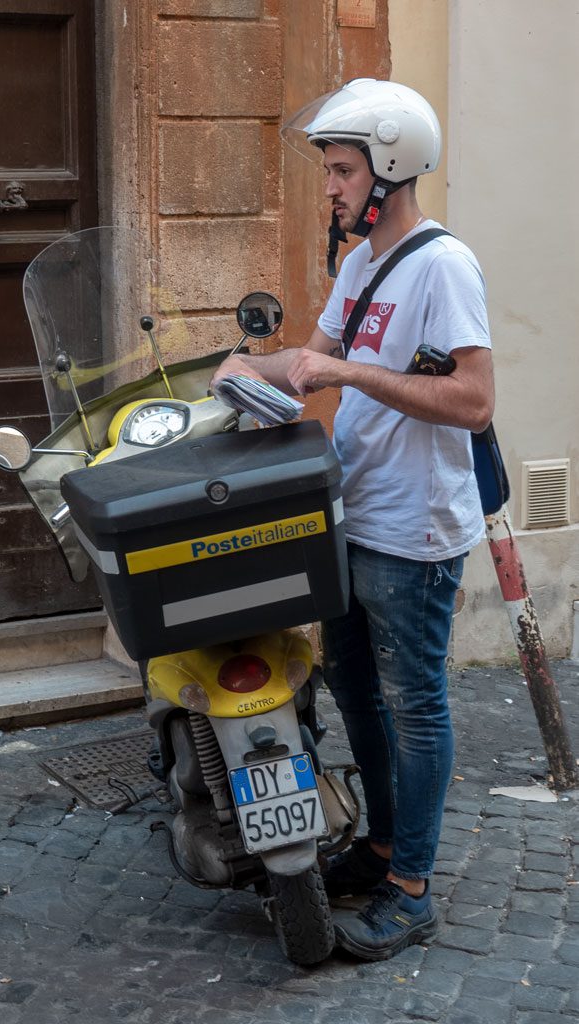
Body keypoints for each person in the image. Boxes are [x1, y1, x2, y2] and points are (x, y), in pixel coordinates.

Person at [212, 78, 495, 960]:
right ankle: (377, 850)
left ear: (391, 166)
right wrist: (230, 377)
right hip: (352, 514)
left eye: (340, 170)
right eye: (329, 169)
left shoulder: (445, 266)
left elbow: (476, 400)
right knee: (360, 697)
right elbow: (313, 361)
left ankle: (411, 889)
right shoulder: (362, 262)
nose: (329, 187)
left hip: (414, 532)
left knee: (415, 710)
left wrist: (348, 377)